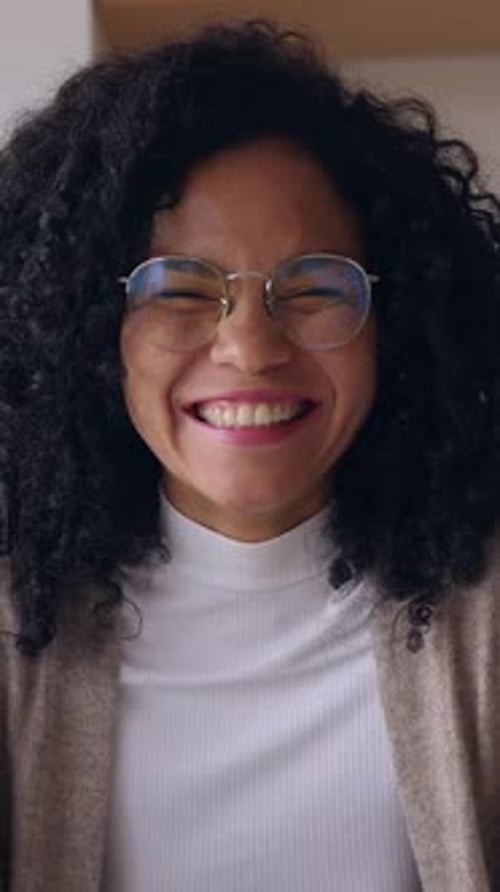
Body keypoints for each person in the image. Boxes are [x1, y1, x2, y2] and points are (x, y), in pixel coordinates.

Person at [0, 19, 499, 892]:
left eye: (312, 287)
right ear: (89, 330)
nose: (251, 346)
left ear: (397, 323)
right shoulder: (17, 622)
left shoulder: (484, 614)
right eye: (180, 290)